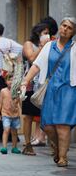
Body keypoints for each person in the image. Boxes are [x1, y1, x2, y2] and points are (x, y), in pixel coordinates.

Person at [22, 17, 76, 167]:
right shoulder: (49, 46)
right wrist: (25, 81)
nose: (65, 29)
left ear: (74, 32)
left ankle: (63, 157)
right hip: (50, 90)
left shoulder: (75, 48)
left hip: (69, 90)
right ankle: (59, 147)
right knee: (47, 125)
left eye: (69, 27)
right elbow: (36, 65)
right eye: (63, 25)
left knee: (63, 125)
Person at [21, 23, 51, 155]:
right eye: (44, 32)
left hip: (44, 84)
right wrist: (42, 46)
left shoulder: (51, 45)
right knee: (28, 116)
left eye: (47, 32)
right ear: (37, 33)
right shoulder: (29, 44)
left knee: (46, 115)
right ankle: (28, 145)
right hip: (30, 84)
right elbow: (32, 58)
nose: (46, 35)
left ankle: (53, 144)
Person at [0, 74, 21, 155]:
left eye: (13, 80)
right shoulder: (3, 91)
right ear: (5, 81)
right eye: (9, 80)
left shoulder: (18, 91)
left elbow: (19, 102)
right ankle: (4, 147)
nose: (11, 82)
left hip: (15, 115)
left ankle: (14, 147)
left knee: (14, 132)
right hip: (5, 114)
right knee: (6, 130)